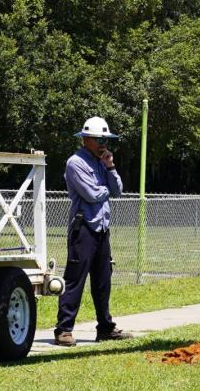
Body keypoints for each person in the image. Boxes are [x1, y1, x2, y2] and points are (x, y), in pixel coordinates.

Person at [54, 116, 134, 347]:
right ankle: (64, 329)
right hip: (84, 228)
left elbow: (117, 190)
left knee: (103, 281)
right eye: (99, 139)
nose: (103, 144)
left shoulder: (102, 161)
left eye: (105, 140)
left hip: (102, 228)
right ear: (86, 139)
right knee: (74, 280)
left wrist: (110, 166)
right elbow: (91, 194)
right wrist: (105, 188)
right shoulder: (75, 163)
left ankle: (105, 328)